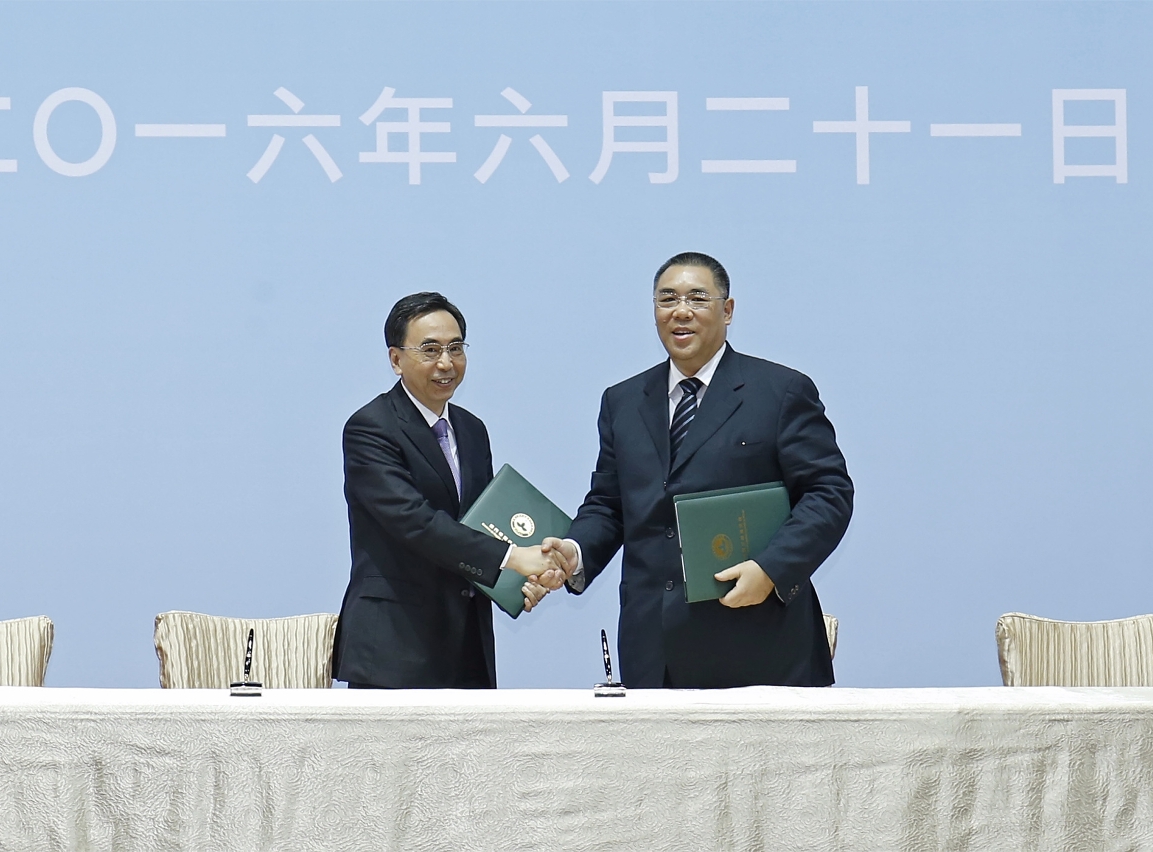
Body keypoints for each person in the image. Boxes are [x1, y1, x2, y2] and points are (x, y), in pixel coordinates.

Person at [543, 252, 853, 688]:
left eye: (697, 298)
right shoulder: (623, 401)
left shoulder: (779, 391)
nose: (680, 311)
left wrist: (770, 569)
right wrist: (575, 553)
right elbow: (610, 504)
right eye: (667, 299)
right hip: (655, 649)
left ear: (727, 311)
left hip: (758, 638)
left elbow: (828, 494)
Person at [332, 292, 554, 689]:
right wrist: (514, 558)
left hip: (467, 640)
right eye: (430, 350)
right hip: (395, 646)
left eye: (456, 348)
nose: (446, 363)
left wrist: (519, 583)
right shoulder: (370, 427)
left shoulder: (471, 429)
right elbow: (414, 522)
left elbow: (481, 524)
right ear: (396, 359)